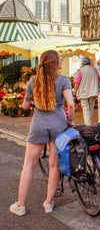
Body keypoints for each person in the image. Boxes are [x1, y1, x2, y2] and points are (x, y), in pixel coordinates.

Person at [9, 50, 75, 216]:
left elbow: (25, 106)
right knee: (54, 165)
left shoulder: (33, 80)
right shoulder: (64, 81)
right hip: (58, 122)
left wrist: (31, 102)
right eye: (59, 59)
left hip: (38, 122)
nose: (61, 60)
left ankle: (20, 205)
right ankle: (48, 203)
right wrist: (71, 121)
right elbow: (72, 105)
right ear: (54, 63)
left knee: (28, 165)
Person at [74, 56, 100, 125]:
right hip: (93, 92)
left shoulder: (81, 71)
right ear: (90, 63)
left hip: (83, 92)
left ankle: (88, 125)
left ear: (82, 63)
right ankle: (89, 124)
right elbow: (98, 80)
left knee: (85, 109)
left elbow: (77, 82)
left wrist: (75, 92)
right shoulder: (94, 70)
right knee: (91, 109)